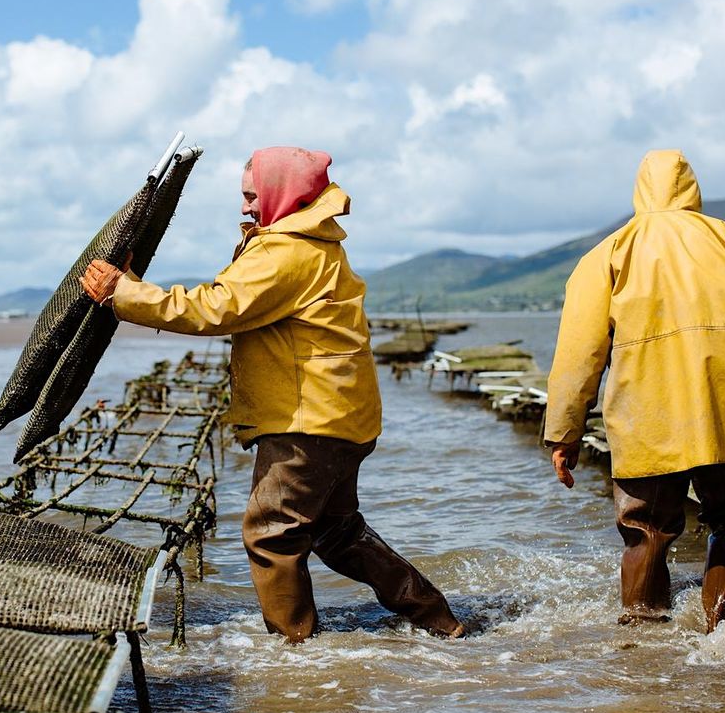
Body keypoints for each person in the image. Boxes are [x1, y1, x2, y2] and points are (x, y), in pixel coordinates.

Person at [81, 146, 465, 642]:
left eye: (251, 196)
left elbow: (217, 307)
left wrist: (124, 293)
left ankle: (294, 651)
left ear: (283, 194)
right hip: (337, 417)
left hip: (307, 421)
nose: (244, 207)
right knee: (337, 532)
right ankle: (440, 622)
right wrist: (131, 286)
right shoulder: (310, 244)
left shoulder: (288, 251)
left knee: (270, 534)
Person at [543, 149, 725, 633]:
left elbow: (579, 356)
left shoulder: (611, 252)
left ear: (640, 190)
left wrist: (564, 433)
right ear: (691, 189)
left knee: (647, 531)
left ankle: (642, 641)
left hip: (647, 419)